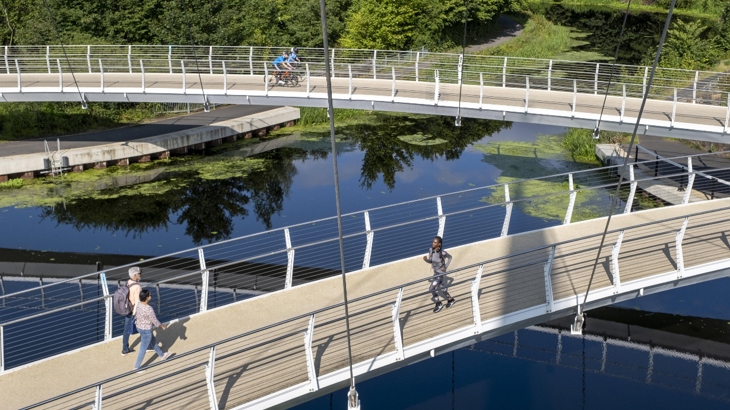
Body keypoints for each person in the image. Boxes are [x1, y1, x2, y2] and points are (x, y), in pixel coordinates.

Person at [134, 289, 172, 370]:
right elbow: (154, 320)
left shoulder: (139, 304)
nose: (151, 296)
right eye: (150, 295)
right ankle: (137, 367)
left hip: (139, 327)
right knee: (143, 348)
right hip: (146, 330)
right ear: (146, 298)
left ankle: (162, 355)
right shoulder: (149, 308)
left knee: (153, 341)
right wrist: (162, 326)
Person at [423, 236, 455, 313]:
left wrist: (445, 266)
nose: (433, 244)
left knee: (431, 288)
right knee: (442, 288)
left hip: (440, 274)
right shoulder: (431, 250)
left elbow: (450, 257)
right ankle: (451, 300)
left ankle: (438, 303)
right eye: (433, 242)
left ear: (439, 244)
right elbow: (431, 261)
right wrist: (426, 260)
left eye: (435, 242)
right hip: (435, 273)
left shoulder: (442, 253)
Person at [121, 266, 142, 356]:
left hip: (128, 309)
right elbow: (137, 302)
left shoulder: (128, 282)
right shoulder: (137, 287)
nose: (140, 275)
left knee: (126, 330)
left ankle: (125, 349)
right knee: (147, 327)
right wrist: (135, 314)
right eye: (139, 273)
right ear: (135, 275)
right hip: (134, 311)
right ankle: (150, 346)